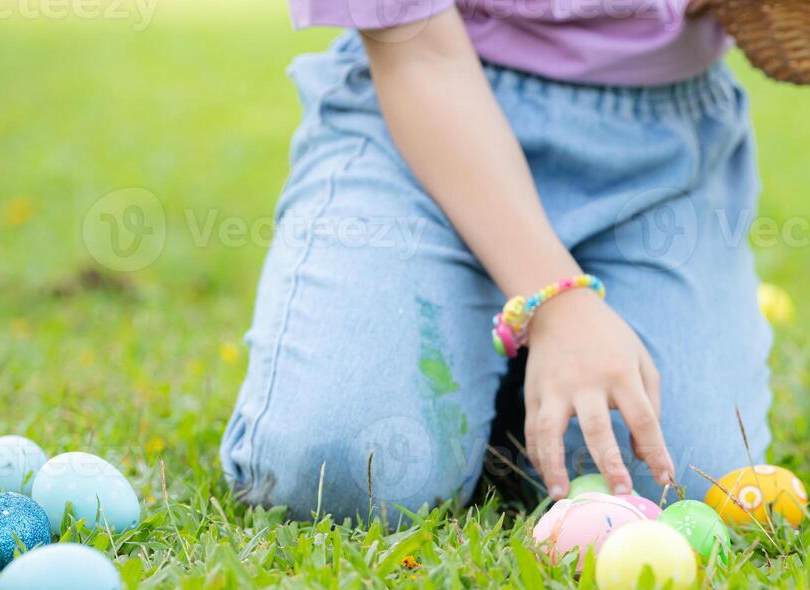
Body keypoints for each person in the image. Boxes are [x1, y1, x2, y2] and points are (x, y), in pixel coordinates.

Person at [220, 0, 773, 522]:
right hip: (423, 111)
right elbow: (417, 52)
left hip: (660, 146)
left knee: (683, 485)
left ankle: (502, 382)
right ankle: (491, 352)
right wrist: (557, 300)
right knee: (343, 474)